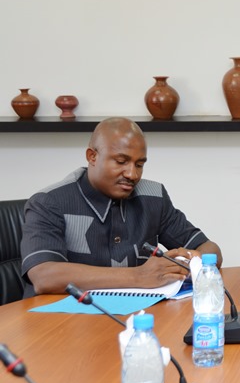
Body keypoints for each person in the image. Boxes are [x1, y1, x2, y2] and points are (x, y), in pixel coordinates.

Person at [20, 117, 222, 297]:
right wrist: (139, 276)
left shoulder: (153, 197)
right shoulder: (49, 202)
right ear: (92, 156)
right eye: (121, 161)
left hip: (132, 316)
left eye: (139, 165)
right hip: (60, 320)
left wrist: (194, 262)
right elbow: (43, 276)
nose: (132, 174)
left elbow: (209, 248)